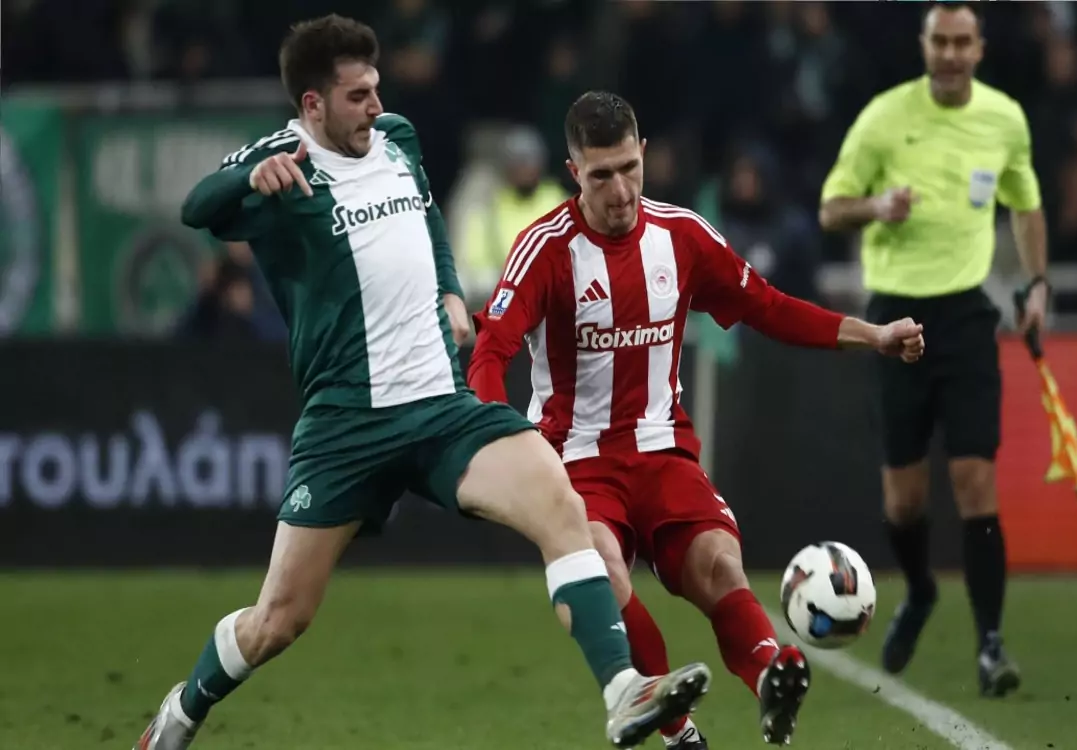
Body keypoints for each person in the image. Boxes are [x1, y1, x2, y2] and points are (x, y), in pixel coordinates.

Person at [135, 16, 711, 750]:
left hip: (441, 408)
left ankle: (623, 691)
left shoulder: (397, 138)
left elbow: (429, 215)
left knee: (560, 504)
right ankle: (181, 712)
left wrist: (448, 287)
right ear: (313, 104)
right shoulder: (282, 161)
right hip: (347, 424)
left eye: (376, 89)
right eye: (357, 96)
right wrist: (248, 178)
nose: (375, 106)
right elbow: (197, 207)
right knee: (279, 620)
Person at [468, 91, 925, 748]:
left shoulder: (682, 236)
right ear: (574, 172)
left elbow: (770, 307)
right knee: (601, 569)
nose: (620, 191)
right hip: (576, 462)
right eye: (601, 175)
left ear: (644, 153)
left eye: (629, 168)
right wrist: (498, 436)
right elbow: (492, 349)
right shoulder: (544, 248)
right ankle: (678, 731)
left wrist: (873, 335)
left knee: (718, 563)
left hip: (663, 452)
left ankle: (770, 674)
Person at [817, 2, 1049, 698]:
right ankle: (920, 589)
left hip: (968, 316)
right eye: (939, 41)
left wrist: (1037, 284)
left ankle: (991, 644)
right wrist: (875, 206)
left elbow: (1025, 204)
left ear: (980, 48)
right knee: (904, 499)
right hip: (896, 318)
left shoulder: (1004, 119)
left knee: (976, 479)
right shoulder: (884, 117)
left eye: (961, 41)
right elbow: (831, 206)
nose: (949, 53)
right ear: (924, 46)